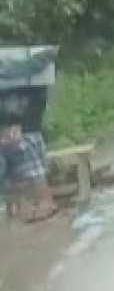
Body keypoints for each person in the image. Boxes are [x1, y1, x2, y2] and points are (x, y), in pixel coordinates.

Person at [0, 90, 58, 223]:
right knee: (11, 167)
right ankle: (24, 203)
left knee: (24, 154)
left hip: (23, 115)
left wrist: (13, 121)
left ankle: (44, 200)